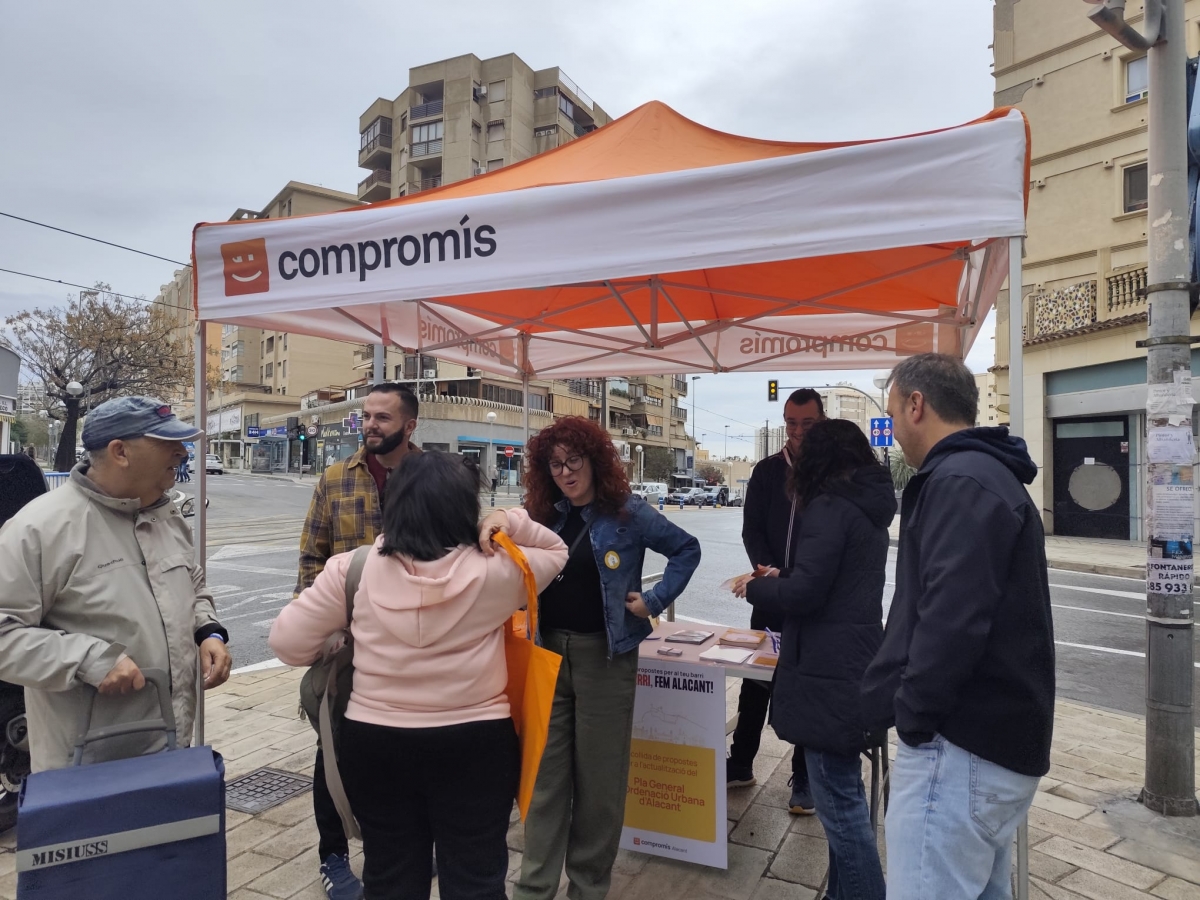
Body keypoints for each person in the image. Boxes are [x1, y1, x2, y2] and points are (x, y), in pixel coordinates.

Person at [272, 451, 567, 900]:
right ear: (463, 509)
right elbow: (556, 549)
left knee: (389, 876)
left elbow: (286, 644)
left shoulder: (352, 569)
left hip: (375, 743)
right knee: (476, 879)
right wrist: (507, 518)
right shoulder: (498, 572)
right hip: (476, 743)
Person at [861, 354, 1055, 900]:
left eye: (895, 411)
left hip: (960, 747)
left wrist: (914, 718)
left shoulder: (960, 481)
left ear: (916, 405)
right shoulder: (985, 475)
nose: (894, 429)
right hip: (992, 747)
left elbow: (951, 620)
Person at [512, 416, 701, 900]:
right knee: (544, 780)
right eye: (555, 464)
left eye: (574, 461)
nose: (565, 473)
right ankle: (534, 888)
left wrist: (654, 601)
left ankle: (588, 888)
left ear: (594, 460)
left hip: (606, 658)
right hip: (548, 655)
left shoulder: (627, 513)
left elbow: (686, 548)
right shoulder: (541, 514)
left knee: (599, 783)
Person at [0, 396, 232, 771]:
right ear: (120, 451)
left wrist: (208, 631)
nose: (182, 452)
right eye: (166, 442)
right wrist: (89, 659)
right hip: (87, 768)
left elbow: (191, 579)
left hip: (171, 747)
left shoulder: (164, 514)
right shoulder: (39, 529)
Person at [738, 419, 894, 900]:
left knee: (839, 803)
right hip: (857, 654)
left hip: (828, 662)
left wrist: (757, 586)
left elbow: (807, 591)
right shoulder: (868, 507)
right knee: (844, 790)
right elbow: (834, 580)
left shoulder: (829, 508)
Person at [294, 381, 421, 900]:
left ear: (410, 426)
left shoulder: (433, 478)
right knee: (335, 752)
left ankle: (399, 849)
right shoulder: (333, 480)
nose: (370, 425)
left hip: (414, 644)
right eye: (366, 416)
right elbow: (310, 559)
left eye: (383, 418)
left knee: (405, 754)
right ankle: (333, 856)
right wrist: (316, 630)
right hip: (348, 646)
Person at [732, 387, 825, 814]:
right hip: (769, 596)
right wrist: (768, 573)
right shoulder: (767, 471)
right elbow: (752, 529)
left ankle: (803, 777)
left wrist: (798, 579)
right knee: (755, 684)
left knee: (804, 688)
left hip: (811, 601)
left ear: (820, 422)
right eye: (792, 422)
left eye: (807, 423)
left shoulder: (829, 473)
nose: (798, 431)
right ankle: (741, 762)